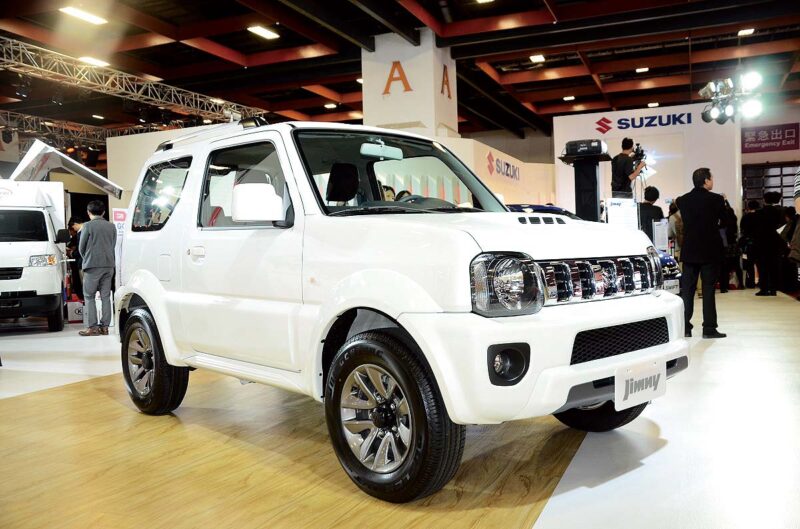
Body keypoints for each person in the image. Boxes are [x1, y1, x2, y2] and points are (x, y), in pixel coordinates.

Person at [675, 168, 726, 339]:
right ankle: (709, 329)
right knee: (708, 289)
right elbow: (727, 221)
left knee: (687, 290)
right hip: (710, 250)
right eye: (711, 178)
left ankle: (685, 327)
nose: (713, 181)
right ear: (706, 180)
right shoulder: (717, 199)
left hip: (690, 249)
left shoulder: (682, 200)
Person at [78, 200, 117, 336]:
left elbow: (81, 247)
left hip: (92, 266)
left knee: (89, 296)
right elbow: (113, 245)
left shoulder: (87, 226)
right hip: (109, 265)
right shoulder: (112, 226)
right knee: (106, 296)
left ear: (88, 212)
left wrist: (87, 258)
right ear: (103, 212)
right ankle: (105, 327)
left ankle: (92, 327)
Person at [751, 191, 785, 296]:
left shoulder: (759, 213)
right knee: (774, 266)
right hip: (776, 243)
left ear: (764, 200)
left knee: (763, 266)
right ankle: (774, 289)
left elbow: (754, 229)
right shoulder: (781, 212)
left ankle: (764, 288)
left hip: (762, 243)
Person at [719, 197, 742, 292]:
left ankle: (724, 286)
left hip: (725, 246)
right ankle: (741, 284)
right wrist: (726, 200)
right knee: (737, 266)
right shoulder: (734, 219)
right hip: (734, 245)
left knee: (724, 267)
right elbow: (729, 209)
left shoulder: (722, 223)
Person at [739, 200, 760, 289]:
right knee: (760, 263)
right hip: (759, 242)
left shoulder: (746, 217)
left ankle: (750, 283)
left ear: (748, 207)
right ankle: (761, 282)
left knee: (749, 263)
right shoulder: (760, 216)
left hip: (749, 243)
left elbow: (742, 229)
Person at [66, 216, 84, 301]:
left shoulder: (82, 233)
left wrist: (71, 253)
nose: (73, 230)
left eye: (72, 227)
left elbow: (81, 250)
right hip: (84, 263)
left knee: (85, 288)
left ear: (75, 224)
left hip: (83, 263)